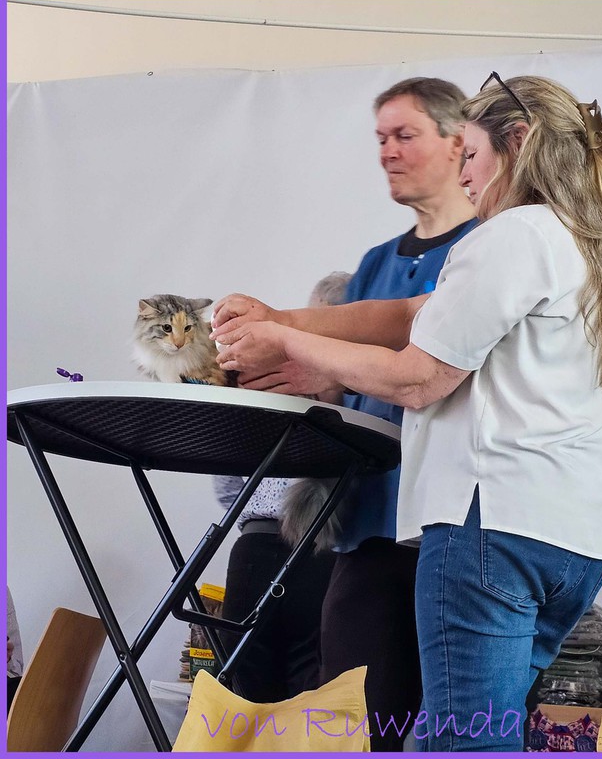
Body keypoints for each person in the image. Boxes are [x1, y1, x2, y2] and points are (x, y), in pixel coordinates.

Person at [211, 72, 602, 751]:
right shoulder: (583, 242)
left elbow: (418, 379)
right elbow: (415, 312)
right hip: (574, 538)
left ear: (519, 142)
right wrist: (287, 318)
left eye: (470, 154)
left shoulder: (513, 234)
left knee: (461, 743)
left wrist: (285, 340)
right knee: (465, 734)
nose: (464, 174)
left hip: (490, 528)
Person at [219, 78, 476, 751]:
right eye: (381, 138)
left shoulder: (487, 252)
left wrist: (304, 346)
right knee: (350, 725)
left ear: (458, 142)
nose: (388, 152)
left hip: (452, 529)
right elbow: (345, 384)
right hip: (367, 529)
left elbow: (427, 369)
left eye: (405, 135)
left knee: (453, 728)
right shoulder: (374, 264)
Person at [213, 271, 351, 704]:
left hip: (279, 545)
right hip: (315, 550)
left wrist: (251, 518)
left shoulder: (275, 382)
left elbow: (228, 476)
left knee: (249, 686)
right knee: (306, 685)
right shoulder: (364, 393)